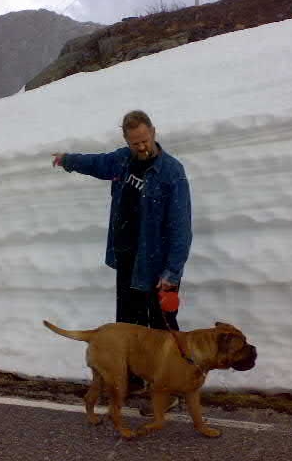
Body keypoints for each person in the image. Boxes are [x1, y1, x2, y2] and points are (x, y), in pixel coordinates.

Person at [51, 110, 192, 333]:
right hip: (127, 258)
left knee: (162, 330)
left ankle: (168, 368)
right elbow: (97, 163)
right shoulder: (122, 159)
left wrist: (172, 273)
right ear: (126, 141)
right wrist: (67, 160)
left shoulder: (172, 173)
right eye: (135, 143)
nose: (142, 147)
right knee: (129, 327)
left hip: (156, 265)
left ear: (153, 132)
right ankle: (134, 368)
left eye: (145, 140)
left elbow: (181, 228)